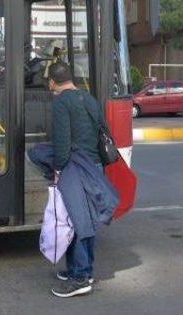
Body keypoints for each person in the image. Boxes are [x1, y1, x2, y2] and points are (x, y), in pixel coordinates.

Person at [28, 61, 118, 298]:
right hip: (93, 165)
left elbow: (62, 142)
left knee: (77, 222)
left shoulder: (61, 103)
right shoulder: (89, 99)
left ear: (52, 81)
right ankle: (81, 271)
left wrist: (58, 169)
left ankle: (80, 278)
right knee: (84, 220)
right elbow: (103, 130)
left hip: (75, 166)